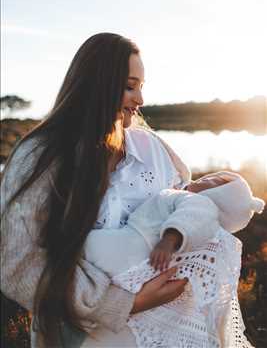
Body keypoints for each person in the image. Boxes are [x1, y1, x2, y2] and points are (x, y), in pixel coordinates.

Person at [0, 32, 255, 348]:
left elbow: (178, 214)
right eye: (129, 86)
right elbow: (17, 264)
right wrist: (123, 302)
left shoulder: (153, 150)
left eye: (142, 87)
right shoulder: (38, 157)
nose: (140, 100)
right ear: (95, 87)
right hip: (84, 339)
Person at [82, 172, 264, 347]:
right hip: (129, 250)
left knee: (82, 248)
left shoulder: (199, 203)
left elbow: (195, 213)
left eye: (216, 180)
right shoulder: (190, 207)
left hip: (130, 245)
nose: (207, 176)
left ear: (219, 196)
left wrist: (169, 240)